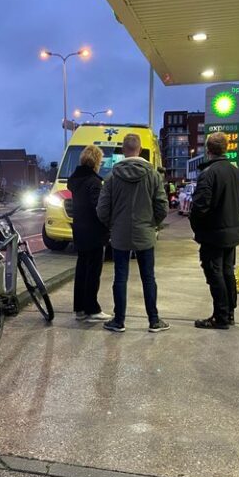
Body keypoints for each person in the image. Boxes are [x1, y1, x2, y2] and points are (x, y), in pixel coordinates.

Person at [96, 133, 170, 333]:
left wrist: (114, 225)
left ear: (123, 150)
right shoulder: (153, 175)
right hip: (145, 234)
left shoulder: (112, 177)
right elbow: (163, 206)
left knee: (120, 278)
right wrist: (151, 224)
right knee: (148, 277)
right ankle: (154, 320)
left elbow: (102, 209)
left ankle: (119, 321)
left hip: (119, 235)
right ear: (139, 149)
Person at [189, 132, 239, 329]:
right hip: (232, 231)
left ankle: (220, 316)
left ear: (208, 149)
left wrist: (197, 227)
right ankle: (229, 312)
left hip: (214, 233)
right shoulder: (236, 172)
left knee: (215, 273)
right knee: (228, 271)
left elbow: (200, 206)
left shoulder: (209, 173)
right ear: (226, 148)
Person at [68, 145, 111, 322]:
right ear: (95, 161)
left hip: (80, 230)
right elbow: (98, 208)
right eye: (100, 160)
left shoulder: (76, 181)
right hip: (94, 232)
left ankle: (79, 308)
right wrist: (108, 223)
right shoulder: (93, 182)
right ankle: (92, 309)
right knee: (93, 271)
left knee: (81, 269)